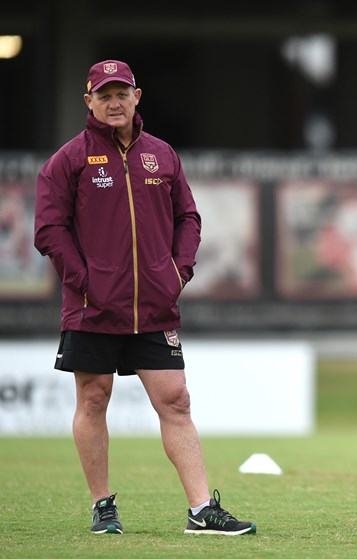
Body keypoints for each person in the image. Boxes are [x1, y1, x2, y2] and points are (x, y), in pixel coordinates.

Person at [34, 60, 255, 536]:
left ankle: (201, 510)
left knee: (176, 400)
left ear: (137, 96)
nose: (114, 102)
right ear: (88, 101)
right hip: (93, 307)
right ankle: (102, 505)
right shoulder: (69, 160)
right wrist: (85, 282)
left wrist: (179, 270)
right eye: (104, 95)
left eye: (122, 93)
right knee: (94, 398)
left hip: (155, 306)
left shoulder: (162, 155)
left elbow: (188, 218)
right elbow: (49, 230)